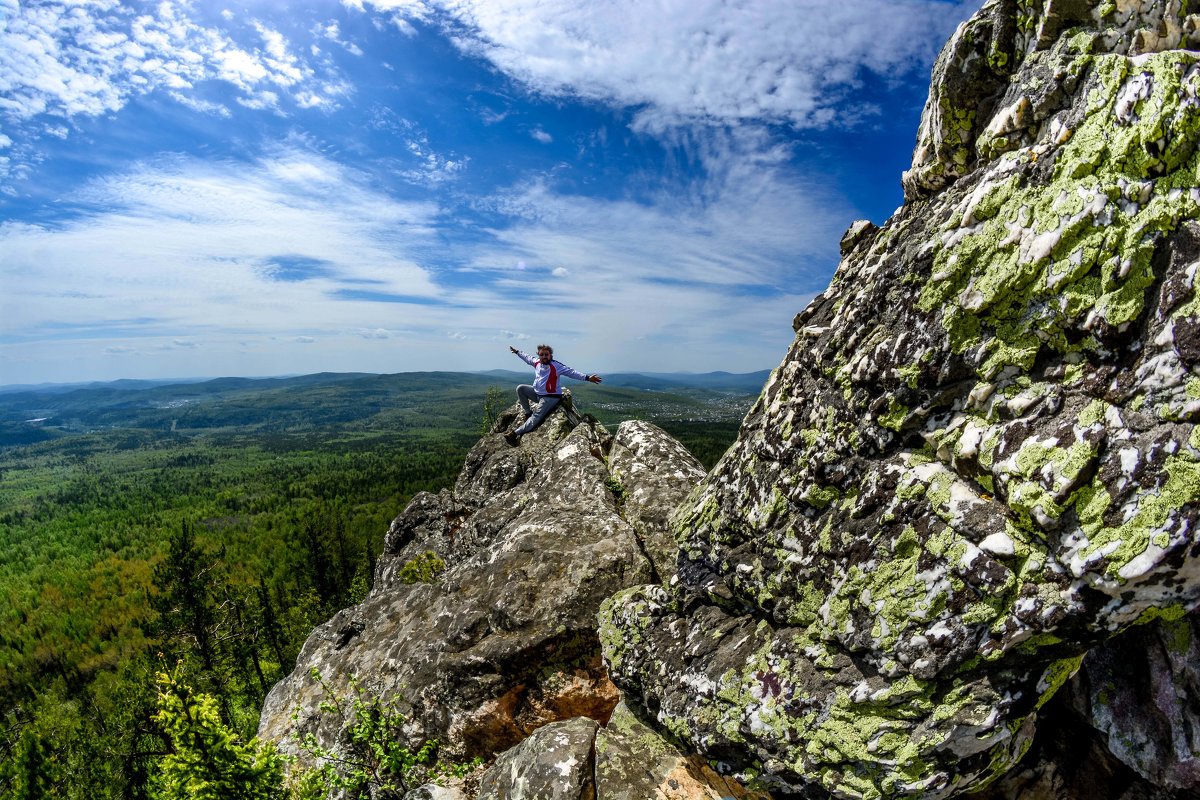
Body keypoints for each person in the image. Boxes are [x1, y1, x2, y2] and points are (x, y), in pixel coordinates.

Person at [505, 343, 601, 445]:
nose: (544, 357)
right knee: (520, 388)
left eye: (546, 354)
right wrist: (517, 352)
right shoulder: (537, 362)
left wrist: (587, 378)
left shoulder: (556, 366)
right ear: (539, 355)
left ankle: (515, 434)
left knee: (536, 416)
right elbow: (527, 357)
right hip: (538, 394)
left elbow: (571, 372)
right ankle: (527, 413)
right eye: (542, 354)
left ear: (551, 355)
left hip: (550, 397)